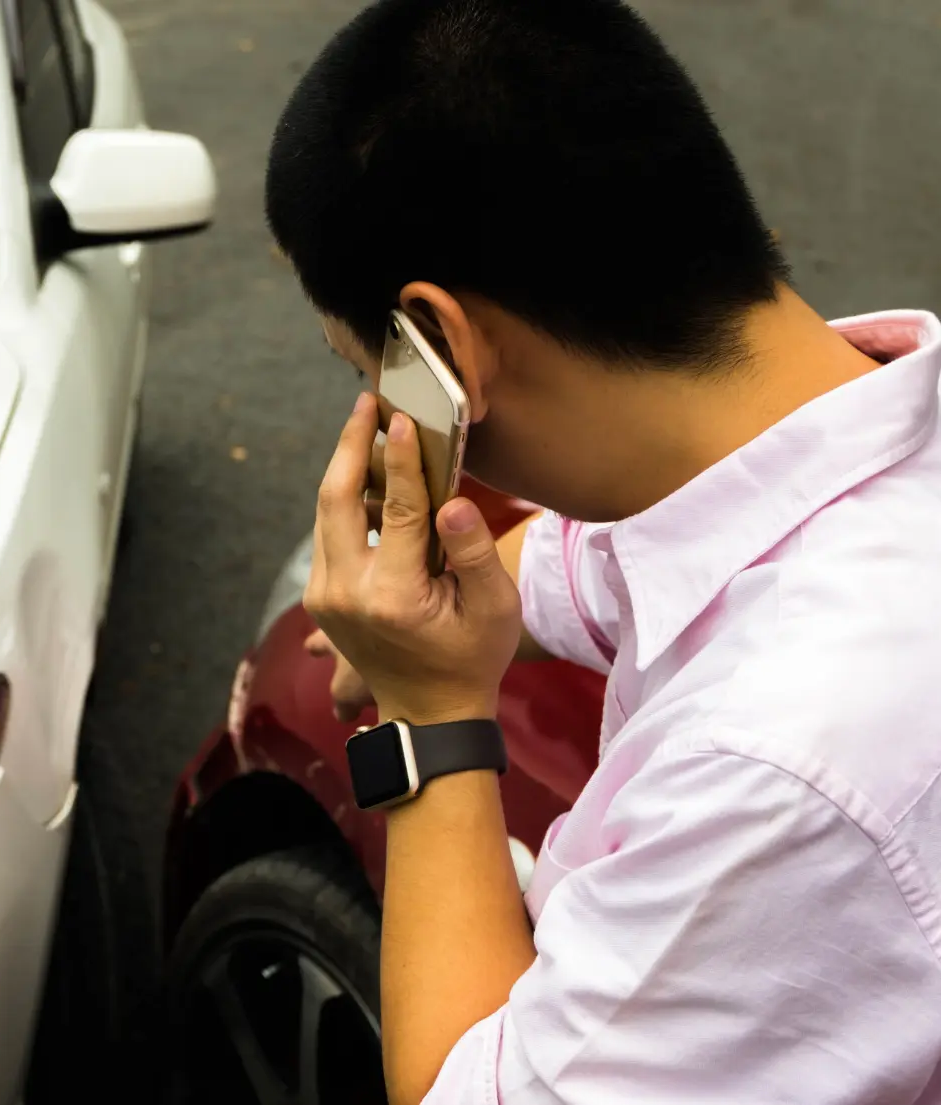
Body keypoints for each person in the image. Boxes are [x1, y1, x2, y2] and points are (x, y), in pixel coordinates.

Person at [265, 0, 941, 1101]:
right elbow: (623, 559)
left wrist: (427, 719)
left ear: (443, 347)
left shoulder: (776, 767)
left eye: (369, 368)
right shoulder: (838, 428)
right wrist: (444, 605)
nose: (378, 404)